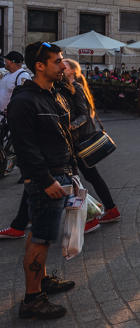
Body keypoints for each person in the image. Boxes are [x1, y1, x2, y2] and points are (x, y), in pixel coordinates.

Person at [8, 42, 76, 319]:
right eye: (58, 61)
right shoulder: (24, 100)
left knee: (41, 233)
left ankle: (43, 279)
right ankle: (32, 299)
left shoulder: (52, 94)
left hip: (58, 172)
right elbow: (25, 148)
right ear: (40, 65)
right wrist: (46, 179)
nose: (63, 65)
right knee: (42, 239)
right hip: (45, 179)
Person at [60, 59, 121, 228]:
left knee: (82, 176)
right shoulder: (66, 87)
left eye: (64, 65)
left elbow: (85, 114)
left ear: (72, 71)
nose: (60, 67)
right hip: (74, 140)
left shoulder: (77, 88)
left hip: (78, 140)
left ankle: (98, 213)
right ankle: (108, 210)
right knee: (88, 176)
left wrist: (70, 125)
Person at [0, 51, 30, 119]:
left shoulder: (22, 76)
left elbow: (24, 98)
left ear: (10, 62)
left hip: (12, 118)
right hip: (2, 118)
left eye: (6, 60)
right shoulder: (6, 75)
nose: (4, 62)